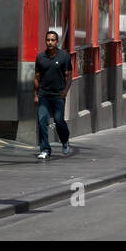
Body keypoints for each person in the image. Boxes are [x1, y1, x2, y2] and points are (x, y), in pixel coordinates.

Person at [33, 30, 73, 160]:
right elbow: (37, 77)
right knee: (42, 120)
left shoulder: (64, 57)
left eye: (52, 40)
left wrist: (65, 92)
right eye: (48, 40)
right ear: (45, 41)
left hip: (58, 95)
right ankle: (45, 149)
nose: (50, 42)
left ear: (57, 42)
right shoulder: (40, 57)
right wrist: (35, 94)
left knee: (58, 120)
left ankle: (65, 141)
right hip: (44, 94)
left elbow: (69, 76)